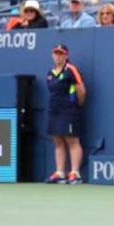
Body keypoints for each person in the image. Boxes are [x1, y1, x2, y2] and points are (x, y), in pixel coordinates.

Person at [45, 44, 86, 184]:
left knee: (72, 140)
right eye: (56, 53)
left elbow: (81, 91)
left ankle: (75, 173)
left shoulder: (71, 70)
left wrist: (75, 105)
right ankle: (60, 172)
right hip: (53, 110)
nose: (58, 56)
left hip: (69, 111)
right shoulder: (50, 73)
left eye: (61, 54)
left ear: (66, 55)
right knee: (57, 140)